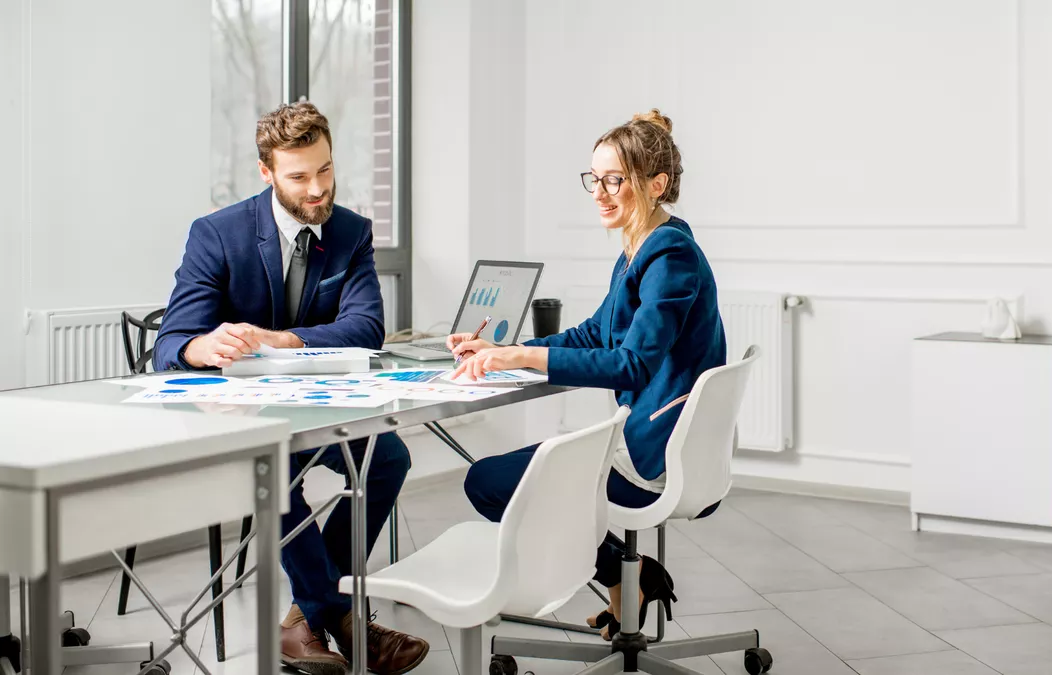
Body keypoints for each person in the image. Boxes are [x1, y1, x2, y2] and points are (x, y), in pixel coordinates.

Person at [154, 102, 428, 675]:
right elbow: (171, 343)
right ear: (267, 172)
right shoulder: (218, 234)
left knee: (388, 457)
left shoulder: (351, 232)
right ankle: (344, 617)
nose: (317, 189)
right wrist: (203, 347)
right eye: (299, 177)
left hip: (315, 406)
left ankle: (305, 616)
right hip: (240, 417)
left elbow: (366, 327)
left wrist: (284, 340)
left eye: (325, 170)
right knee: (273, 468)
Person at [448, 109, 726, 640]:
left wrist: (520, 360)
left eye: (614, 180)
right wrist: (508, 349)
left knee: (486, 482)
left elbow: (631, 363)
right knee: (507, 477)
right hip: (657, 440)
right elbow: (596, 334)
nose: (600, 192)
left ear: (655, 184)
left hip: (653, 454)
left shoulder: (669, 255)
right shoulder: (641, 248)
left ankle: (630, 574)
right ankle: (631, 575)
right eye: (594, 179)